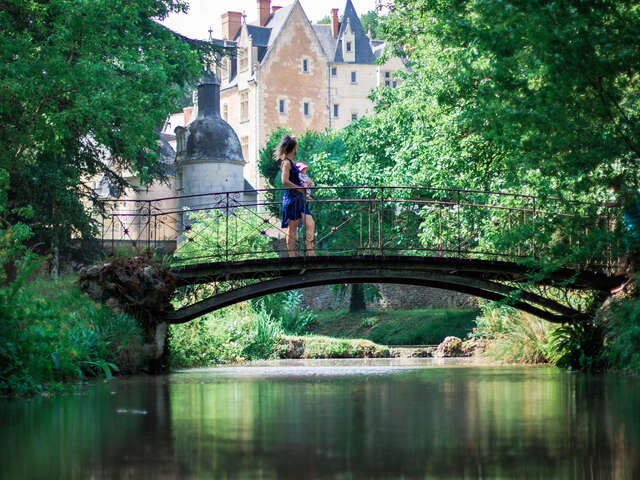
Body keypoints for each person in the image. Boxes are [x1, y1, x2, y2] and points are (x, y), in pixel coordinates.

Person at [274, 135, 315, 257]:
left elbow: (299, 178)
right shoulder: (286, 163)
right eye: (296, 145)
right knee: (292, 228)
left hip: (299, 199)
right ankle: (292, 257)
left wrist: (307, 182)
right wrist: (299, 188)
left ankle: (310, 252)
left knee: (310, 223)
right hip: (292, 199)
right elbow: (284, 181)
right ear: (293, 148)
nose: (297, 147)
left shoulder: (293, 163)